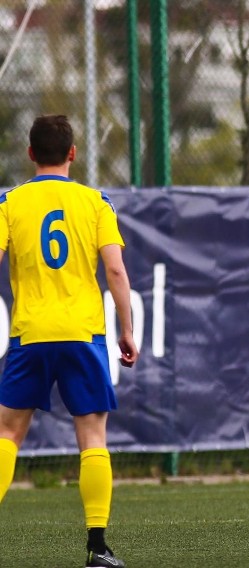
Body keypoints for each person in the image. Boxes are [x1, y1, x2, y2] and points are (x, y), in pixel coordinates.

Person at [0, 115, 138, 568]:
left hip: (30, 332)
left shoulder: (10, 203)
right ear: (73, 154)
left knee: (7, 433)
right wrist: (126, 328)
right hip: (82, 334)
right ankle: (98, 548)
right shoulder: (96, 202)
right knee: (93, 436)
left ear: (31, 154)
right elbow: (115, 271)